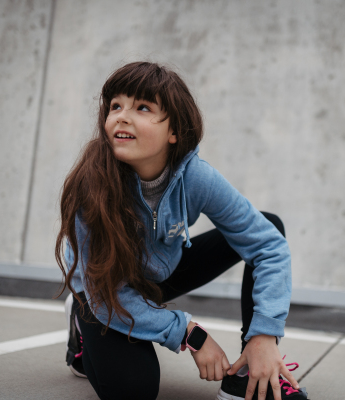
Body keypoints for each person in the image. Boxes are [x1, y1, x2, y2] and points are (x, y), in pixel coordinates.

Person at [55, 62, 308, 400]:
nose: (121, 116)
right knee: (134, 390)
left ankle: (248, 374)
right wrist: (190, 332)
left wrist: (264, 336)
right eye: (115, 106)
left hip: (159, 271)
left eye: (142, 107)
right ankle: (81, 332)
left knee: (269, 226)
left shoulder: (196, 178)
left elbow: (270, 247)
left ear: (174, 131)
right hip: (102, 290)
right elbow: (105, 295)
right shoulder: (92, 186)